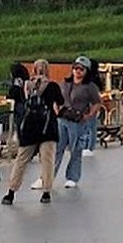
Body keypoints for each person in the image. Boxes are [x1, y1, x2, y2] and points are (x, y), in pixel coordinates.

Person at [4, 59, 63, 204]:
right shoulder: (53, 86)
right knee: (47, 160)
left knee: (21, 160)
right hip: (47, 127)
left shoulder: (27, 85)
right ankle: (46, 193)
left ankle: (11, 192)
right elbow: (60, 102)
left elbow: (18, 98)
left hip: (29, 127)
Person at [53, 56, 103, 189]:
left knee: (75, 149)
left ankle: (72, 177)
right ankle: (48, 176)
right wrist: (56, 109)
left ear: (86, 71)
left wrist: (89, 115)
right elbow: (57, 98)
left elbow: (97, 102)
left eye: (81, 69)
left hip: (77, 120)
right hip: (63, 118)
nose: (77, 71)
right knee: (58, 148)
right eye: (75, 68)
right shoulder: (65, 83)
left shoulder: (89, 87)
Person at [4, 62, 30, 159]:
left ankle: (20, 150)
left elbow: (14, 92)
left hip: (19, 105)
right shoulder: (24, 80)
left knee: (19, 126)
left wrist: (8, 97)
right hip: (24, 104)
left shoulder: (17, 80)